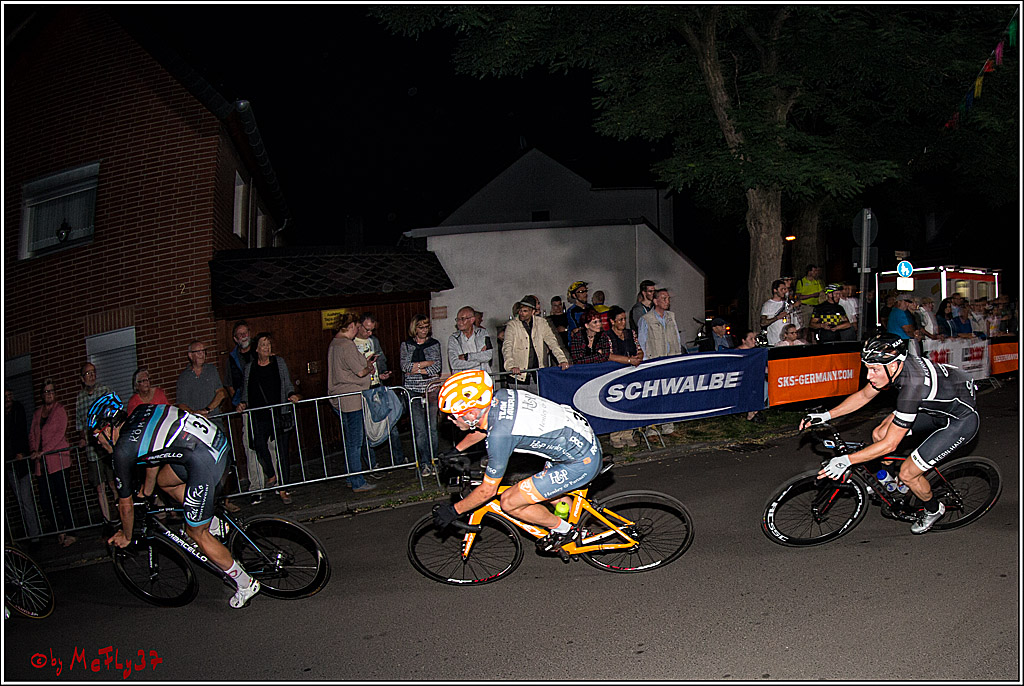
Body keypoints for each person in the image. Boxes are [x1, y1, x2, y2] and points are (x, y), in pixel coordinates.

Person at [90, 393, 261, 608]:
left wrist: (126, 535)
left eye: (97, 436)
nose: (97, 443)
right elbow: (153, 458)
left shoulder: (122, 451)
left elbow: (125, 505)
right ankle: (214, 523)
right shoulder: (142, 412)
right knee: (165, 481)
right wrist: (145, 493)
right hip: (210, 443)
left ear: (107, 428)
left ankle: (245, 583)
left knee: (195, 533)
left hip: (205, 460)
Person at [799, 333, 979, 534]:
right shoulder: (895, 364)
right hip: (935, 407)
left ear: (893, 366)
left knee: (909, 473)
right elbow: (865, 395)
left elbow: (891, 446)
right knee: (879, 433)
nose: (869, 375)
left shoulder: (912, 388)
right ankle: (888, 482)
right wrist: (826, 415)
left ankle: (934, 509)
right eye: (868, 368)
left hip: (959, 421)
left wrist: (846, 461)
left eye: (874, 369)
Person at [430, 370, 602, 558]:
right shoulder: (501, 397)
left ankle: (565, 531)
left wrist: (455, 510)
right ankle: (580, 531)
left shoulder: (500, 436)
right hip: (580, 442)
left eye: (453, 415)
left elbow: (488, 490)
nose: (449, 419)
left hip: (580, 461)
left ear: (470, 413)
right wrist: (456, 451)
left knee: (510, 501)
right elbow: (485, 426)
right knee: (548, 494)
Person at [237, 332, 300, 504]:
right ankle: (271, 474)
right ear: (257, 348)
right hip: (259, 415)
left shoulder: (278, 363)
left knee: (281, 451)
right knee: (258, 445)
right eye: (263, 344)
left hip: (279, 413)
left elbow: (287, 383)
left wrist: (292, 394)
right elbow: (246, 390)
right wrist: (243, 403)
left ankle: (283, 489)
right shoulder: (250, 367)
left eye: (269, 344)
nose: (267, 347)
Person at [328, 313, 379, 492]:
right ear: (350, 326)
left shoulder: (334, 344)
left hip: (338, 398)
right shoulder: (346, 345)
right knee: (355, 441)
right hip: (350, 398)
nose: (358, 330)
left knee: (349, 439)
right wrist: (369, 368)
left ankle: (351, 477)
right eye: (357, 326)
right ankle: (357, 481)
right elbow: (359, 372)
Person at [355, 313, 406, 470]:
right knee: (365, 428)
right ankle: (372, 465)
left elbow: (381, 360)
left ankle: (399, 459)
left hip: (377, 386)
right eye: (367, 329)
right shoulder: (351, 344)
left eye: (372, 330)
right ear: (358, 325)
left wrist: (383, 373)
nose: (369, 333)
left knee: (390, 423)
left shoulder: (373, 341)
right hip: (361, 390)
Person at [30, 379, 76, 547]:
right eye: (46, 392)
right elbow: (33, 434)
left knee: (63, 497)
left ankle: (71, 531)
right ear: (42, 395)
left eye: (51, 391)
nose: (48, 394)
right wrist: (35, 450)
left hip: (58, 461)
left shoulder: (59, 411)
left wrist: (44, 450)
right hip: (42, 465)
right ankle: (60, 528)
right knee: (45, 499)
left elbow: (58, 434)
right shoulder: (37, 414)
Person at [400, 314, 442, 477]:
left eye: (426, 327)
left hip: (430, 389)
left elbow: (436, 366)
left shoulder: (434, 344)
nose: (424, 330)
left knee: (432, 428)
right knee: (419, 429)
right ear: (414, 329)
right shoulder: (407, 345)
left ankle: (434, 460)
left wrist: (417, 368)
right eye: (421, 327)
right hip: (413, 390)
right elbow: (405, 366)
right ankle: (424, 462)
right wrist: (426, 364)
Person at [225, 320, 264, 496]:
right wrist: (238, 401)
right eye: (239, 334)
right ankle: (257, 485)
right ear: (235, 338)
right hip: (247, 407)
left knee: (270, 444)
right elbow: (230, 384)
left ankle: (276, 483)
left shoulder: (259, 352)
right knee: (250, 445)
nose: (243, 337)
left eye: (245, 333)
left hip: (263, 405)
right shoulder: (233, 359)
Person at [502, 295, 570, 393]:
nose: (522, 313)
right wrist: (510, 365)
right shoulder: (512, 325)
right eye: (520, 311)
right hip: (518, 376)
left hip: (537, 375)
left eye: (525, 311)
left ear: (533, 311)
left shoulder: (541, 323)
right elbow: (507, 346)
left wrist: (562, 360)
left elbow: (553, 343)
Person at [75, 362, 115, 523]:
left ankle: (121, 515)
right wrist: (83, 438)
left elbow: (114, 413)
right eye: (87, 373)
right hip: (92, 450)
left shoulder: (104, 391)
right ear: (82, 378)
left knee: (113, 482)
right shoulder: (80, 399)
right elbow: (80, 424)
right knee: (100, 486)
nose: (91, 376)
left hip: (107, 445)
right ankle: (107, 521)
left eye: (93, 372)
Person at [638, 289, 681, 435]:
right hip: (655, 362)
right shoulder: (646, 319)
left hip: (671, 361)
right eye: (664, 298)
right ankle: (652, 430)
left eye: (668, 298)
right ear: (655, 301)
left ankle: (668, 427)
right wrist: (646, 364)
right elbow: (642, 342)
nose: (667, 301)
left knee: (670, 395)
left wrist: (678, 357)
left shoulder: (671, 317)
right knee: (654, 396)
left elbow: (676, 338)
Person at [606, 305, 643, 448]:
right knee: (616, 404)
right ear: (612, 321)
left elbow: (639, 349)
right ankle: (615, 435)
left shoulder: (630, 333)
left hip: (631, 372)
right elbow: (609, 355)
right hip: (615, 373)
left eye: (624, 319)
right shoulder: (607, 336)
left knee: (630, 402)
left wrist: (638, 358)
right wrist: (628, 360)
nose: (623, 322)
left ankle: (628, 433)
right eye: (620, 320)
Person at [7, 387, 41, 541]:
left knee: (26, 499)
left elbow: (20, 432)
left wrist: (21, 451)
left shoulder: (18, 409)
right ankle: (29, 533)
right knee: (20, 501)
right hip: (9, 464)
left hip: (21, 463)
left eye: (9, 395)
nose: (7, 398)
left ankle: (35, 536)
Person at [448, 305, 493, 373]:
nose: (459, 323)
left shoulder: (482, 333)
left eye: (462, 319)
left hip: (481, 378)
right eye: (458, 319)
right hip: (463, 378)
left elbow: (488, 355)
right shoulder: (454, 338)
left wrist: (467, 357)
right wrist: (479, 362)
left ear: (472, 320)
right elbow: (454, 363)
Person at [736, 330, 764, 423]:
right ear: (744, 340)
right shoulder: (737, 352)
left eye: (754, 338)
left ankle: (754, 411)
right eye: (751, 339)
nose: (754, 341)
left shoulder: (756, 352)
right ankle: (752, 413)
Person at [794, 265, 825, 342]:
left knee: (813, 326)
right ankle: (803, 341)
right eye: (814, 271)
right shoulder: (801, 282)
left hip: (816, 306)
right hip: (806, 307)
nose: (815, 273)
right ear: (809, 272)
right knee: (805, 326)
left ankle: (813, 341)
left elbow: (821, 293)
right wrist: (812, 295)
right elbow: (799, 296)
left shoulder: (817, 282)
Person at [759, 279, 793, 346]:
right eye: (781, 289)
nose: (784, 291)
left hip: (788, 341)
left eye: (785, 289)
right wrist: (777, 318)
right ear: (775, 290)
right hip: (775, 341)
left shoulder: (787, 304)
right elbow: (763, 323)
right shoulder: (768, 305)